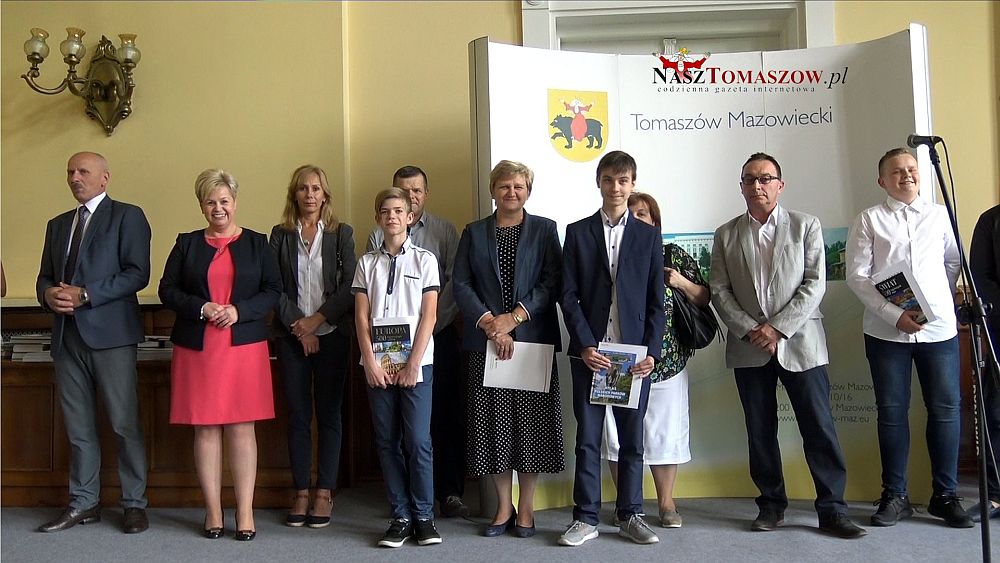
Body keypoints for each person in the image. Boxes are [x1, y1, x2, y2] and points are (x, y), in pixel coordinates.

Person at [710, 152, 866, 539]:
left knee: (819, 428)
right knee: (759, 431)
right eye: (750, 179)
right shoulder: (725, 234)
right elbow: (719, 289)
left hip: (801, 343)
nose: (757, 185)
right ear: (741, 187)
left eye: (765, 178)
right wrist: (752, 329)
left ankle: (832, 509)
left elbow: (815, 283)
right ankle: (771, 505)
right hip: (749, 346)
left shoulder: (805, 225)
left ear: (780, 185)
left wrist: (778, 329)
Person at [846, 147, 972, 528]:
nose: (907, 176)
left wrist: (930, 302)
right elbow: (857, 276)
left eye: (912, 169)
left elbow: (953, 261)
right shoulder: (869, 219)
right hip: (886, 333)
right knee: (892, 413)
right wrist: (895, 314)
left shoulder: (939, 215)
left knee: (946, 410)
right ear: (882, 181)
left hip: (939, 329)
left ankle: (945, 495)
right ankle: (895, 496)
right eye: (897, 171)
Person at [158, 169, 281, 541]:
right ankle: (212, 511)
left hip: (243, 347)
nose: (218, 208)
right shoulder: (186, 244)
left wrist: (240, 311)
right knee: (206, 428)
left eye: (224, 201)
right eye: (210, 202)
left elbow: (273, 290)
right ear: (201, 206)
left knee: (242, 428)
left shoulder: (258, 243)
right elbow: (167, 290)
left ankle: (245, 512)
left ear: (235, 203)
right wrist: (202, 307)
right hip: (199, 348)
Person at [36, 151, 151, 534]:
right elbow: (45, 277)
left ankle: (134, 504)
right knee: (78, 427)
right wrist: (48, 294)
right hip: (66, 336)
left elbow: (137, 273)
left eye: (83, 171)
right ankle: (84, 502)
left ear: (104, 178)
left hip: (112, 336)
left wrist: (86, 294)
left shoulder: (127, 216)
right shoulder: (57, 224)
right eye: (70, 171)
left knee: (123, 423)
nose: (75, 178)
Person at [453, 160, 565, 538]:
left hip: (532, 340)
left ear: (528, 191)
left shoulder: (545, 230)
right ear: (493, 190)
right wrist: (491, 324)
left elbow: (552, 282)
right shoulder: (474, 232)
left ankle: (527, 508)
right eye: (504, 186)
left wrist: (514, 319)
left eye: (518, 186)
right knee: (493, 427)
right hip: (486, 344)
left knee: (530, 427)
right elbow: (462, 284)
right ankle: (504, 507)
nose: (511, 192)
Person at [559, 150, 665, 546]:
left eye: (623, 181)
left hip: (632, 359)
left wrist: (651, 352)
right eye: (608, 180)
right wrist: (585, 345)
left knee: (632, 440)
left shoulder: (648, 237)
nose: (615, 187)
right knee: (588, 440)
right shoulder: (577, 232)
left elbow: (656, 302)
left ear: (632, 184)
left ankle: (631, 515)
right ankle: (585, 518)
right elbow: (568, 296)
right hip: (591, 356)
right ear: (598, 183)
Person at [366, 167, 467, 517]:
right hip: (386, 351)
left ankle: (447, 493)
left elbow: (454, 281)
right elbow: (371, 298)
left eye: (416, 191)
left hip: (438, 336)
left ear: (425, 194)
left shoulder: (443, 232)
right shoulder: (374, 241)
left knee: (440, 419)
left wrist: (432, 326)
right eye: (403, 191)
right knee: (393, 430)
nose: (410, 196)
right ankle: (403, 502)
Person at [602, 192, 705, 529]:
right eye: (630, 214)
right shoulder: (609, 254)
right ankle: (625, 503)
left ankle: (666, 502)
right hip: (618, 360)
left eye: (643, 214)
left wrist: (679, 281)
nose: (635, 219)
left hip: (666, 363)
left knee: (664, 432)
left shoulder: (672, 255)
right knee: (616, 435)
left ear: (655, 222)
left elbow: (705, 296)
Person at [269, 165, 357, 528]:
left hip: (332, 334)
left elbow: (350, 284)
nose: (309, 194)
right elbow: (273, 286)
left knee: (330, 414)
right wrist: (300, 328)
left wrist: (317, 321)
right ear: (295, 194)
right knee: (299, 415)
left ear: (325, 194)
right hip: (292, 338)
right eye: (303, 188)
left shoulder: (341, 233)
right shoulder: (280, 235)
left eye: (316, 188)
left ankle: (324, 492)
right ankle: (301, 491)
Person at [354, 187, 442, 548]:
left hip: (417, 365)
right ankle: (401, 515)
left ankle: (424, 516)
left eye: (398, 211)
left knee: (418, 440)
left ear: (410, 217)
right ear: (378, 218)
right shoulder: (366, 263)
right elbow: (361, 318)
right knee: (386, 442)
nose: (392, 216)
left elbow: (429, 316)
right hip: (377, 366)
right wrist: (370, 363)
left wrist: (412, 364)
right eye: (385, 211)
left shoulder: (425, 260)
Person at [969, 203, 1000, 521]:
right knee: (996, 413)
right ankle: (995, 495)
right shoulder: (991, 220)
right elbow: (981, 278)